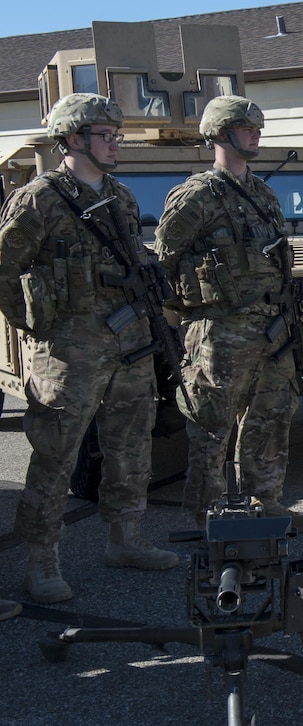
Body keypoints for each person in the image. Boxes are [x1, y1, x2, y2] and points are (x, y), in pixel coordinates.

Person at [0, 93, 179, 604]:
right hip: (69, 350)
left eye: (117, 135)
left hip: (130, 343)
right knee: (55, 455)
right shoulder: (39, 200)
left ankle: (126, 539)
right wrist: (36, 323)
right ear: (73, 139)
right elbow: (3, 270)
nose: (115, 144)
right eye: (107, 136)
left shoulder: (120, 196)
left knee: (131, 447)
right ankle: (41, 560)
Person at [155, 95, 303, 532]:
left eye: (257, 128)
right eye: (247, 128)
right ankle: (204, 516)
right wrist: (192, 312)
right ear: (221, 134)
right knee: (211, 424)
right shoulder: (196, 195)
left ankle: (265, 505)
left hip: (273, 327)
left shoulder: (263, 193)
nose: (256, 135)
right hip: (220, 329)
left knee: (272, 416)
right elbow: (165, 260)